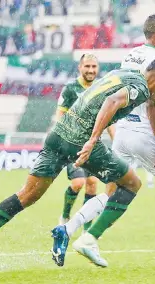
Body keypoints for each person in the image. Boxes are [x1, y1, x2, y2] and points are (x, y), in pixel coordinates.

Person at [0, 56, 155, 277]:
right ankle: (89, 239)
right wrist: (92, 139)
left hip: (58, 134)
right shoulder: (141, 88)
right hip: (81, 140)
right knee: (131, 184)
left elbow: (112, 94)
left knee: (27, 195)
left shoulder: (125, 74)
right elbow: (113, 102)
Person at [52, 14, 155, 268]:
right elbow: (151, 102)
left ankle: (67, 230)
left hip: (122, 129)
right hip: (142, 133)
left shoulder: (132, 55)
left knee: (112, 190)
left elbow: (122, 91)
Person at [56, 53, 114, 232]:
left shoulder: (102, 88)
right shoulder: (70, 89)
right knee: (78, 183)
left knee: (92, 184)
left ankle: (86, 228)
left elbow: (107, 119)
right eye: (87, 66)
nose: (90, 70)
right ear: (79, 68)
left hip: (93, 145)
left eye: (93, 67)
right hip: (73, 144)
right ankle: (65, 215)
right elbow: (60, 115)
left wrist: (117, 142)